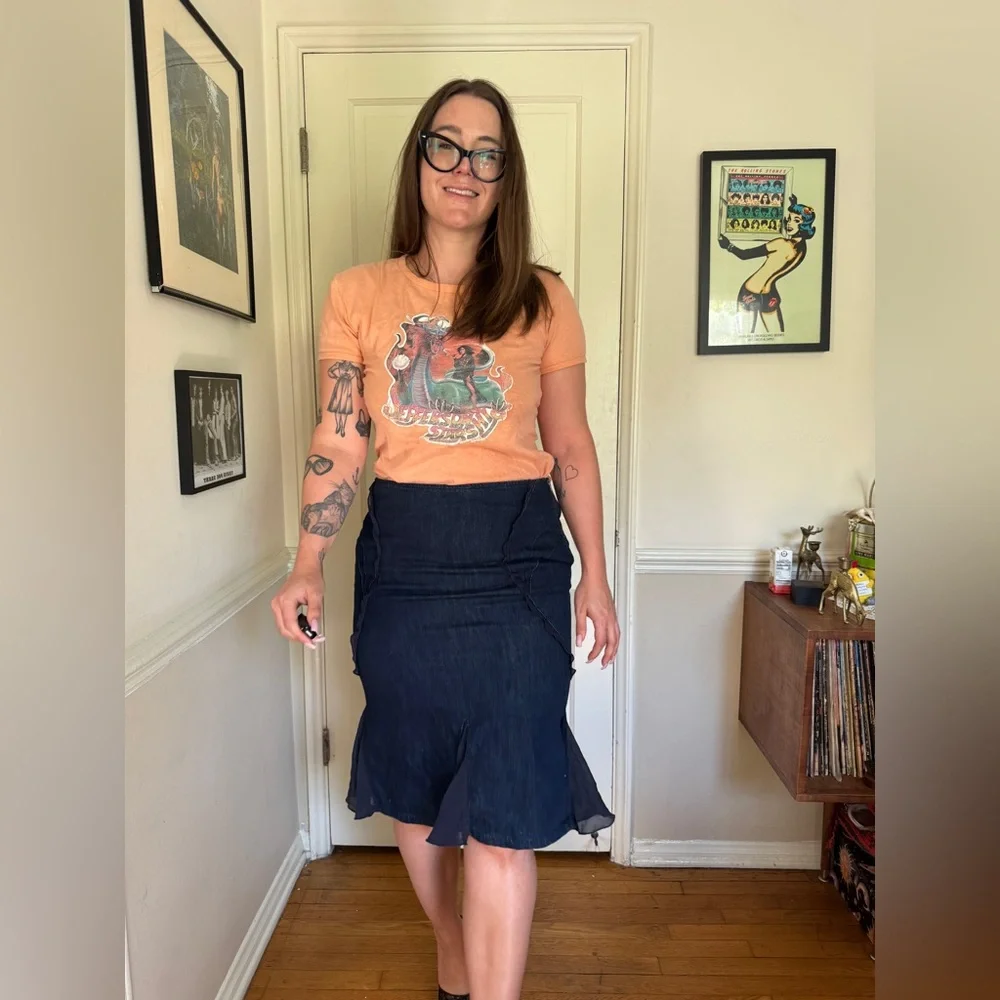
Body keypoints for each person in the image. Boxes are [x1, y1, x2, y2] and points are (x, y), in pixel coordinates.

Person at [271, 78, 619, 1000]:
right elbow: (340, 437)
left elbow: (570, 445)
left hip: (518, 561)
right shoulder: (357, 293)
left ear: (507, 177)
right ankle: (454, 946)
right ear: (419, 157)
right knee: (417, 780)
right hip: (406, 560)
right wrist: (307, 561)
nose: (466, 167)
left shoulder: (544, 297)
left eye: (488, 153)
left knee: (506, 804)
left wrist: (596, 575)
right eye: (447, 144)